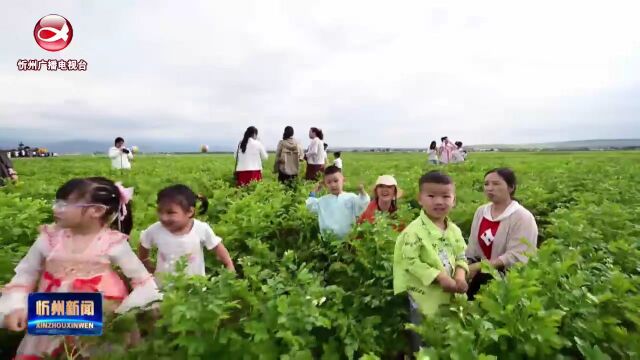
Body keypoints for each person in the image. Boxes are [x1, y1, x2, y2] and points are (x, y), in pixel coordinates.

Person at [0, 177, 162, 359]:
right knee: (48, 352)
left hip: (100, 312)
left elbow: (142, 280)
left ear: (97, 210)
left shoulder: (111, 243)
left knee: (93, 352)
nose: (55, 209)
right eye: (56, 202)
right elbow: (26, 274)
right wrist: (15, 306)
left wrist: (123, 312)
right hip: (51, 309)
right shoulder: (49, 238)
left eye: (64, 204)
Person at [393, 171, 468, 351]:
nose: (439, 201)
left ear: (454, 200)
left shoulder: (454, 230)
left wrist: (460, 276)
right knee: (424, 334)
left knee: (449, 332)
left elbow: (461, 256)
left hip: (450, 293)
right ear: (420, 199)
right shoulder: (413, 231)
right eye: (431, 196)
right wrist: (440, 277)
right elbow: (411, 261)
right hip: (423, 294)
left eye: (445, 196)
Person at [138, 185, 234, 287]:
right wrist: (145, 263)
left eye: (170, 213)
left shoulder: (201, 229)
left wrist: (229, 264)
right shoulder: (156, 230)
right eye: (160, 211)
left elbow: (217, 246)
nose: (163, 217)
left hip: (194, 286)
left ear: (190, 212)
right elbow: (144, 243)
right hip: (164, 286)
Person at [465, 168, 538, 299]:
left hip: (508, 278)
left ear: (511, 188)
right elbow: (472, 245)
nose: (489, 188)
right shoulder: (481, 211)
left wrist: (481, 266)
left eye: (496, 184)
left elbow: (517, 255)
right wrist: (466, 265)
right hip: (479, 272)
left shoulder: (522, 217)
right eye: (486, 184)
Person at [306, 165, 370, 239]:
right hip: (329, 240)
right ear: (325, 184)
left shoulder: (351, 197)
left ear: (343, 180)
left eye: (336, 181)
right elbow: (310, 205)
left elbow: (363, 203)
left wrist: (362, 192)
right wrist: (314, 191)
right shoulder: (322, 201)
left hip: (348, 239)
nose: (333, 185)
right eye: (329, 182)